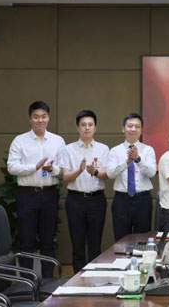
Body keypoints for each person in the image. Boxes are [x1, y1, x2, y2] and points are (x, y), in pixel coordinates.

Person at [7, 101, 65, 278]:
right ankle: (27, 283)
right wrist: (34, 167)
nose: (40, 120)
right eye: (36, 117)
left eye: (44, 116)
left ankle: (47, 283)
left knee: (48, 241)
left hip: (49, 194)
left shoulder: (57, 141)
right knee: (27, 241)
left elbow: (63, 169)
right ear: (30, 119)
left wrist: (52, 169)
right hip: (27, 195)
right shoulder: (20, 141)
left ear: (48, 118)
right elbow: (11, 167)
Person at [59, 110, 109, 273]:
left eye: (90, 124)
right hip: (75, 200)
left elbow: (106, 175)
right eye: (83, 125)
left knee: (95, 243)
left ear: (95, 128)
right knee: (77, 243)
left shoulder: (103, 149)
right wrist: (79, 171)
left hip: (96, 200)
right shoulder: (68, 149)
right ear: (77, 128)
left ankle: (95, 279)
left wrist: (95, 172)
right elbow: (66, 177)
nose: (87, 128)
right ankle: (77, 280)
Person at [106, 113, 157, 241]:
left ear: (141, 130)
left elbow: (152, 173)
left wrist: (138, 159)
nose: (133, 129)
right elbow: (110, 174)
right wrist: (127, 162)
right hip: (121, 201)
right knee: (121, 240)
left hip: (143, 200)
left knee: (143, 240)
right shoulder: (115, 151)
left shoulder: (148, 150)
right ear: (123, 129)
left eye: (137, 126)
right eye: (130, 126)